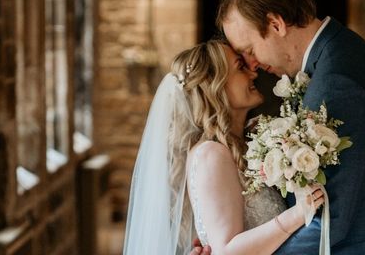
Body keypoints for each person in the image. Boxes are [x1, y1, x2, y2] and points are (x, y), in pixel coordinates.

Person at [215, 0, 365, 255]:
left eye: (249, 49)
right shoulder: (333, 54)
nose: (252, 64)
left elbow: (328, 220)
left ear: (275, 23)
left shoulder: (336, 81)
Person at [123, 39, 325, 255]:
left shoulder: (241, 146)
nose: (253, 73)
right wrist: (297, 214)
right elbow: (227, 250)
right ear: (215, 86)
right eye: (240, 67)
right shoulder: (211, 154)